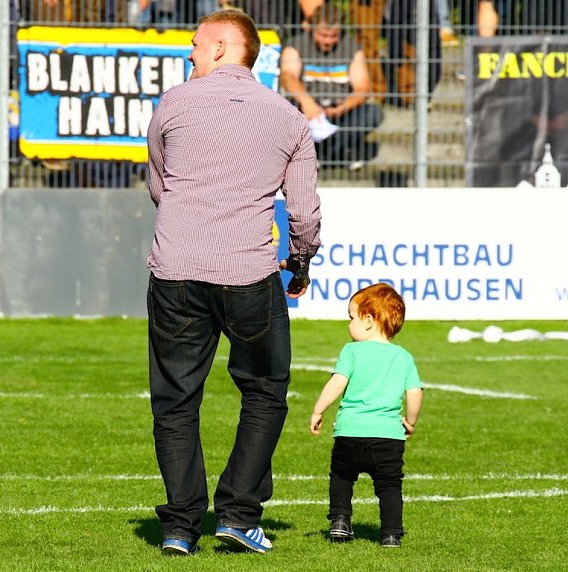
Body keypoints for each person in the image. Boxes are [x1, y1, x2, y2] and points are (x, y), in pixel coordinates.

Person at [146, 10, 321, 556]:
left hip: (175, 269)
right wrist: (301, 261)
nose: (188, 54)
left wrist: (188, 218)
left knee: (175, 401)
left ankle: (179, 526)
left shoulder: (173, 102)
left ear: (224, 47)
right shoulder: (289, 118)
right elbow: (306, 211)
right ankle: (239, 513)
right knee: (266, 392)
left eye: (195, 45)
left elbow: (158, 180)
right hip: (248, 270)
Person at [309, 282, 423, 548]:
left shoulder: (351, 351)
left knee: (341, 477)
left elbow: (337, 382)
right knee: (389, 486)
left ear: (369, 321)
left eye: (352, 317)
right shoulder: (403, 357)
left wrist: (318, 410)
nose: (348, 325)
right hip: (387, 437)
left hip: (349, 431)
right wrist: (410, 421)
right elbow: (415, 392)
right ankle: (391, 534)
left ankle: (339, 521)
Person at [281, 3, 382, 170]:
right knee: (284, 109)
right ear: (312, 29)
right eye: (322, 35)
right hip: (306, 111)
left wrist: (345, 106)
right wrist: (307, 102)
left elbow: (363, 86)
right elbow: (288, 76)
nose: (327, 41)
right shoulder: (295, 45)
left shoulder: (352, 48)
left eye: (333, 36)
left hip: (339, 113)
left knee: (373, 113)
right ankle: (335, 154)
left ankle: (320, 153)